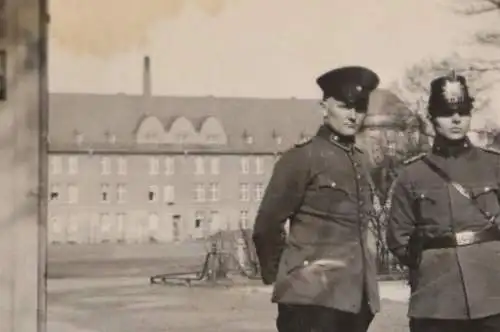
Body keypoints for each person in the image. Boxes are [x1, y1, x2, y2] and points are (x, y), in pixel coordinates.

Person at [252, 66, 382, 332]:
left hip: (355, 299)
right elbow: (266, 225)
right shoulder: (301, 158)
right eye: (345, 106)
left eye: (359, 108)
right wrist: (289, 278)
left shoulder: (360, 160)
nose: (353, 115)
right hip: (310, 300)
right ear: (324, 107)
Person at [386, 71, 500, 332]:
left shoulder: (494, 165)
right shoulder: (412, 175)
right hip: (436, 301)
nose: (456, 119)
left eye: (463, 111)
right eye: (447, 113)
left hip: (493, 295)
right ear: (432, 118)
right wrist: (431, 265)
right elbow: (398, 238)